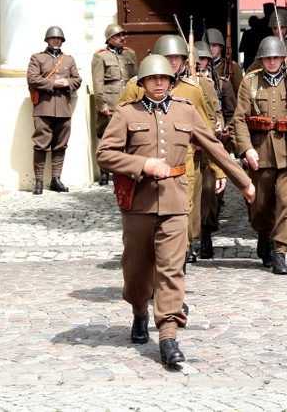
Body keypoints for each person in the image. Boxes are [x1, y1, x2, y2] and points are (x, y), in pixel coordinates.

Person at [96, 54, 255, 366]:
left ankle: (168, 335)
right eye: (152, 79)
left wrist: (243, 181)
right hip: (138, 205)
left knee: (172, 268)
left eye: (164, 79)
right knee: (137, 269)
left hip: (175, 202)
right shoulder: (127, 113)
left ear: (171, 81)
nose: (158, 84)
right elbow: (105, 153)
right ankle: (139, 310)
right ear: (142, 82)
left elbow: (213, 146)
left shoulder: (186, 110)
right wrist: (142, 164)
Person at [116, 34, 226, 265]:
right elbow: (118, 129)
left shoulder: (192, 91)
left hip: (183, 165)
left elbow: (206, 135)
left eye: (177, 58)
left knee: (183, 216)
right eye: (167, 57)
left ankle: (176, 274)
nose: (172, 62)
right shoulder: (135, 87)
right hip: (145, 168)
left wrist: (218, 170)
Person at [233, 36, 287, 275]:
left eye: (276, 57)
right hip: (260, 154)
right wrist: (246, 148)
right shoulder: (250, 83)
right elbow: (239, 119)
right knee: (260, 207)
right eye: (267, 58)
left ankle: (280, 251)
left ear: (283, 58)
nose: (272, 61)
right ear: (261, 59)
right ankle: (265, 234)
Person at [27, 26, 82, 195]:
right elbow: (32, 78)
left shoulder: (69, 60)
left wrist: (68, 83)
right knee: (41, 145)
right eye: (53, 38)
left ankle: (56, 179)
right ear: (47, 40)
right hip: (44, 108)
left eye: (59, 39)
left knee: (60, 145)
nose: (56, 41)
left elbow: (77, 79)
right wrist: (52, 84)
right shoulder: (38, 58)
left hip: (64, 109)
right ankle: (38, 181)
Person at [196, 40, 236, 259]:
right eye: (197, 59)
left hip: (212, 142)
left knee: (211, 193)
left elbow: (225, 111)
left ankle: (206, 234)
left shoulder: (219, 83)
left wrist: (224, 127)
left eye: (203, 59)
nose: (200, 63)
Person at [91, 23, 138, 185]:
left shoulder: (130, 54)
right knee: (107, 136)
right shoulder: (100, 56)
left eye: (123, 35)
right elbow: (98, 82)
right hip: (111, 101)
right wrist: (101, 104)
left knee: (131, 136)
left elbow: (136, 78)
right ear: (110, 38)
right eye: (118, 36)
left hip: (129, 99)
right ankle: (104, 172)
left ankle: (127, 168)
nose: (122, 38)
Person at [206, 27, 244, 96]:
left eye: (214, 45)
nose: (211, 49)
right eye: (208, 45)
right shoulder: (200, 66)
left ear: (221, 47)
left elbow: (240, 93)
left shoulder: (233, 67)